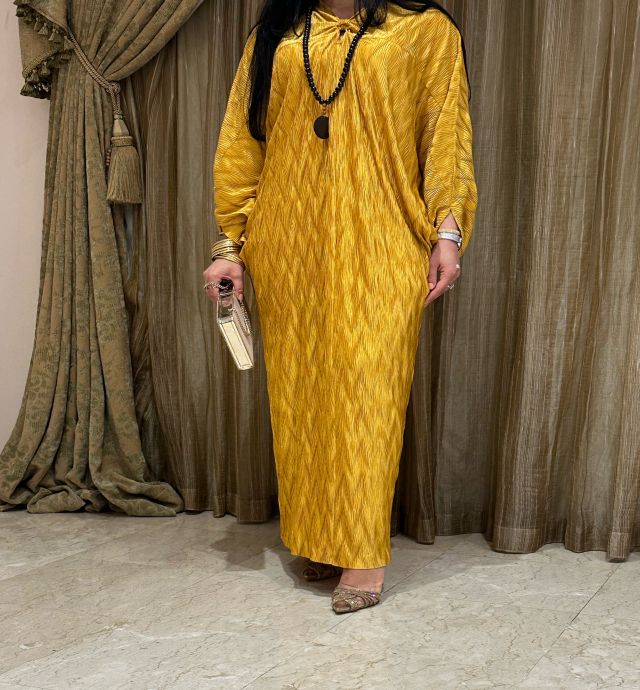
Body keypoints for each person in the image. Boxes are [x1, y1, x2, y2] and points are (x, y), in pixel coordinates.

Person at [203, 0, 478, 614]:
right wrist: (229, 247)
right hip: (290, 245)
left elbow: (446, 136)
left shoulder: (424, 32)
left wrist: (448, 233)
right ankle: (322, 538)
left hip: (383, 239)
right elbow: (243, 145)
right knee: (304, 399)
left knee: (366, 393)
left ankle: (363, 552)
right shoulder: (277, 36)